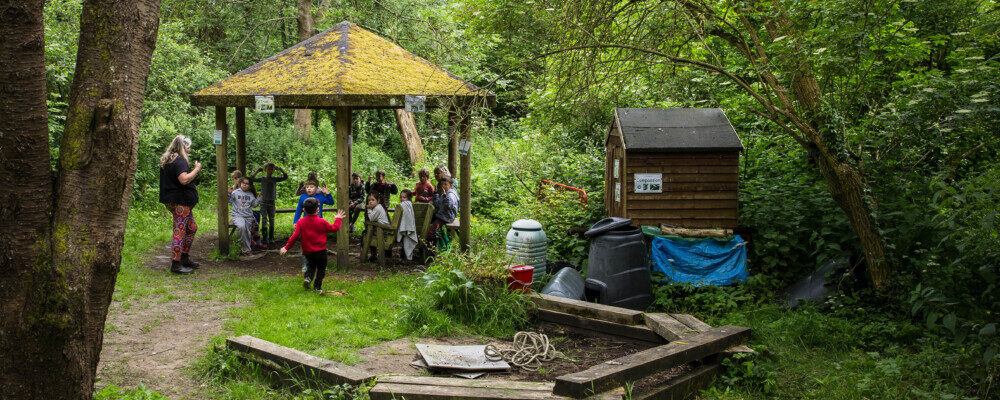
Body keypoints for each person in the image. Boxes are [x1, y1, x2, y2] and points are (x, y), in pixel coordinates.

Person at [280, 198, 345, 293]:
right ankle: (317, 287)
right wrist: (338, 219)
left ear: (304, 210)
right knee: (321, 269)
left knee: (310, 266)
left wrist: (286, 247)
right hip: (321, 251)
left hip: (308, 252)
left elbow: (295, 236)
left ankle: (308, 278)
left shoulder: (300, 222)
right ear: (318, 209)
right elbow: (334, 228)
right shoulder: (322, 222)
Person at [158, 135, 201, 275]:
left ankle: (184, 257)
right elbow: (184, 180)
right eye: (188, 147)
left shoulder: (168, 160)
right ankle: (176, 264)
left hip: (175, 201)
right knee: (180, 231)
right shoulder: (179, 160)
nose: (189, 150)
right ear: (183, 146)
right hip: (181, 201)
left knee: (192, 227)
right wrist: (196, 169)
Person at [294, 179, 334, 271]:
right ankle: (306, 264)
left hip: (318, 224)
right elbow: (299, 210)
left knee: (320, 242)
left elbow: (331, 202)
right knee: (306, 243)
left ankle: (321, 264)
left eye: (311, 187)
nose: (309, 189)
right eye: (307, 187)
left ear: (316, 188)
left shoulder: (320, 196)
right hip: (306, 224)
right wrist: (295, 221)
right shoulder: (303, 197)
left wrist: (327, 193)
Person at [250, 162, 288, 244]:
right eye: (268, 169)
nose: (270, 171)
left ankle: (271, 238)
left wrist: (281, 169)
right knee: (264, 219)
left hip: (272, 202)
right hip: (263, 202)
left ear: (274, 171)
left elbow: (285, 177)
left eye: (271, 169)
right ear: (265, 170)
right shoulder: (262, 179)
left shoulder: (274, 179)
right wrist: (257, 171)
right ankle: (264, 238)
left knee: (271, 219)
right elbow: (252, 179)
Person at [229, 178, 264, 255]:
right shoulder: (235, 192)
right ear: (240, 184)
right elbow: (230, 201)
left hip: (248, 216)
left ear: (250, 186)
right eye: (243, 183)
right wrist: (229, 193)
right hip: (237, 215)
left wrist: (259, 198)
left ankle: (246, 250)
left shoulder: (250, 194)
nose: (244, 185)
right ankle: (243, 247)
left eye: (247, 183)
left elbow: (254, 205)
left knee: (247, 232)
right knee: (242, 227)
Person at [428, 177, 458, 243]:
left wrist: (445, 197)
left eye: (445, 184)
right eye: (442, 184)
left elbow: (449, 205)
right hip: (442, 214)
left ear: (451, 185)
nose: (443, 186)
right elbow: (438, 204)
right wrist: (436, 194)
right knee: (428, 221)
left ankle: (432, 247)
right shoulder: (445, 193)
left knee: (432, 231)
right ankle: (434, 242)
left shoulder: (451, 195)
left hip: (447, 216)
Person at [364, 193, 390, 261]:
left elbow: (371, 218)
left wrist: (369, 209)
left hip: (383, 232)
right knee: (366, 233)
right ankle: (373, 255)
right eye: (369, 200)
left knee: (366, 234)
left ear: (378, 201)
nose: (370, 202)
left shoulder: (378, 208)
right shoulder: (378, 207)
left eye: (373, 200)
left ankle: (372, 255)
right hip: (382, 230)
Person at [396, 190, 418, 260]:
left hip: (404, 231)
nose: (402, 199)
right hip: (417, 230)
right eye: (401, 197)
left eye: (404, 197)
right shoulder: (410, 206)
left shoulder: (403, 206)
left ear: (409, 198)